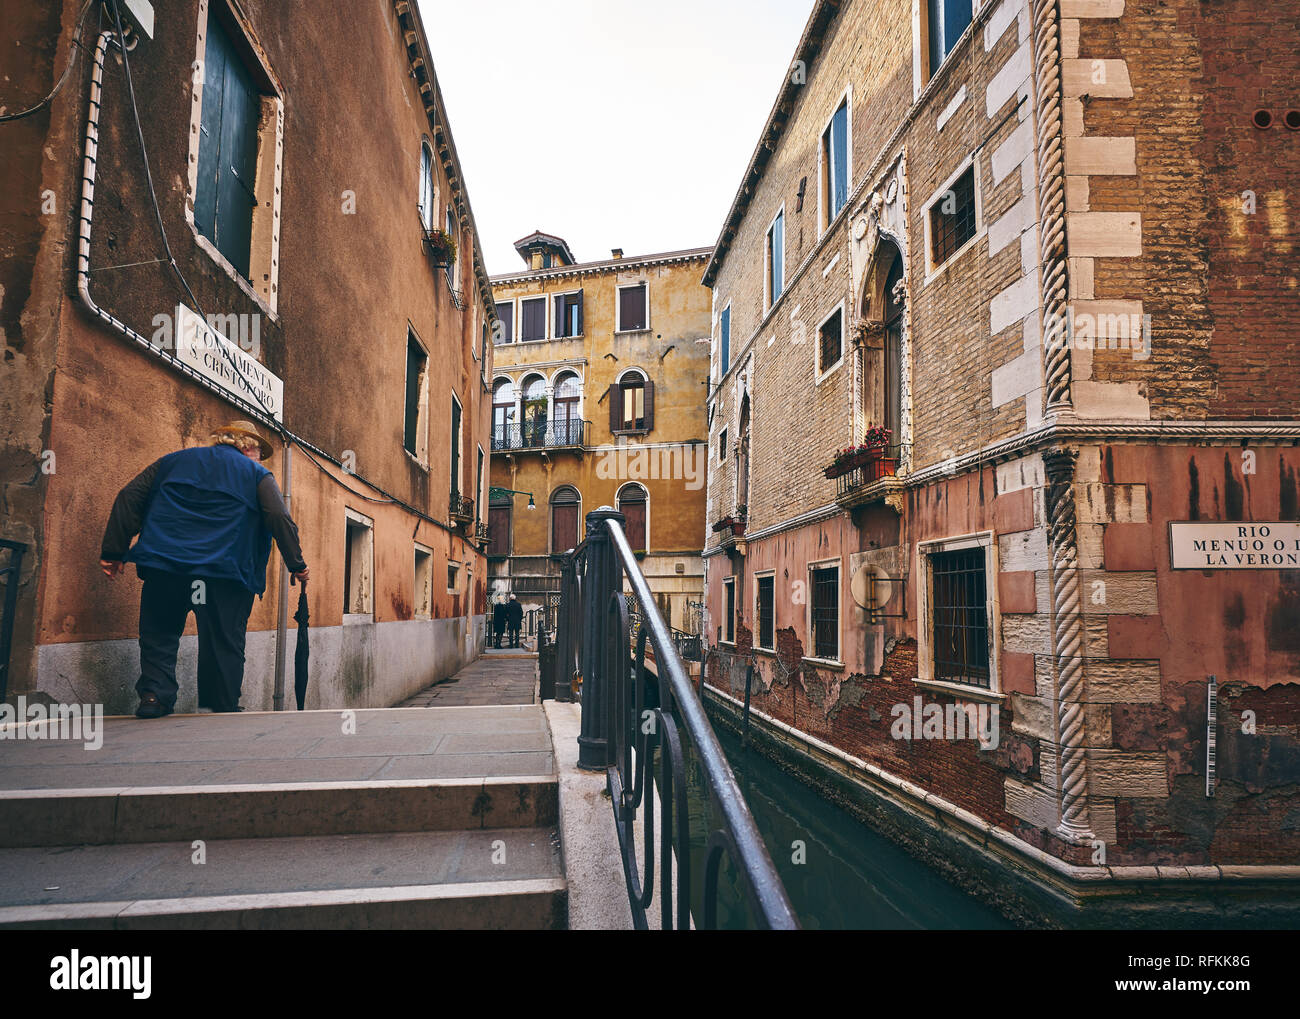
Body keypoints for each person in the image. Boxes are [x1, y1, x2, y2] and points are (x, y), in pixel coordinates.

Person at [100, 420, 308, 718]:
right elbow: (278, 517)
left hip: (166, 567)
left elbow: (129, 497)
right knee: (224, 640)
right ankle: (221, 706)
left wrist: (113, 552)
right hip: (224, 574)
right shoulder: (257, 475)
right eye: (259, 451)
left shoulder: (171, 462)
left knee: (159, 634)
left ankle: (154, 697)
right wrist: (297, 565)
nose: (260, 458)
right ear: (246, 446)